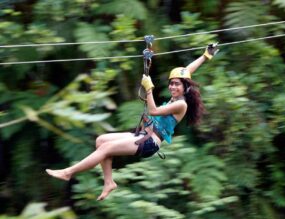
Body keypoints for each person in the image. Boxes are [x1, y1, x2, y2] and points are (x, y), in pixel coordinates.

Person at [45, 43, 219, 201]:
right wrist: (205, 56)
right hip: (144, 134)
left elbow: (154, 111)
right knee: (101, 140)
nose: (172, 87)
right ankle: (109, 183)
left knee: (106, 149)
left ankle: (69, 172)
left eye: (176, 85)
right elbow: (188, 70)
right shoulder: (177, 97)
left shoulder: (181, 104)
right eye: (171, 84)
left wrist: (149, 88)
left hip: (151, 142)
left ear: (185, 87)